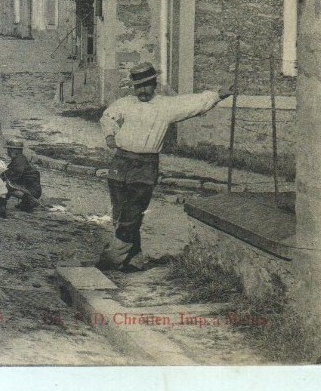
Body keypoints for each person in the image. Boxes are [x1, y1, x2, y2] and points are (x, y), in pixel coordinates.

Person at [96, 62, 230, 272]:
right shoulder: (124, 103)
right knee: (121, 212)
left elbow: (194, 103)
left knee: (133, 212)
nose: (142, 91)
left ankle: (111, 259)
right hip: (120, 162)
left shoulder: (166, 106)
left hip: (146, 165)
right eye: (137, 87)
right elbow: (107, 117)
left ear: (154, 84)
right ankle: (133, 260)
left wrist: (217, 95)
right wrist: (110, 135)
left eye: (146, 86)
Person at [1, 137, 42, 212]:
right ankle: (25, 202)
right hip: (32, 188)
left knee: (6, 187)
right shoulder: (20, 159)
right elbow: (10, 171)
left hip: (32, 190)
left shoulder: (19, 160)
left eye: (9, 149)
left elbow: (15, 174)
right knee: (8, 184)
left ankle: (29, 200)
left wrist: (3, 179)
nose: (8, 151)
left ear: (14, 150)